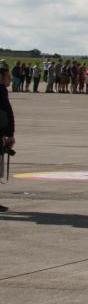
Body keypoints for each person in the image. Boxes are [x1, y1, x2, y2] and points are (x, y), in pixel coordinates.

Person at [0, 62, 16, 212]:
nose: (9, 79)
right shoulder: (1, 91)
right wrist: (9, 134)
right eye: (7, 76)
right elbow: (6, 114)